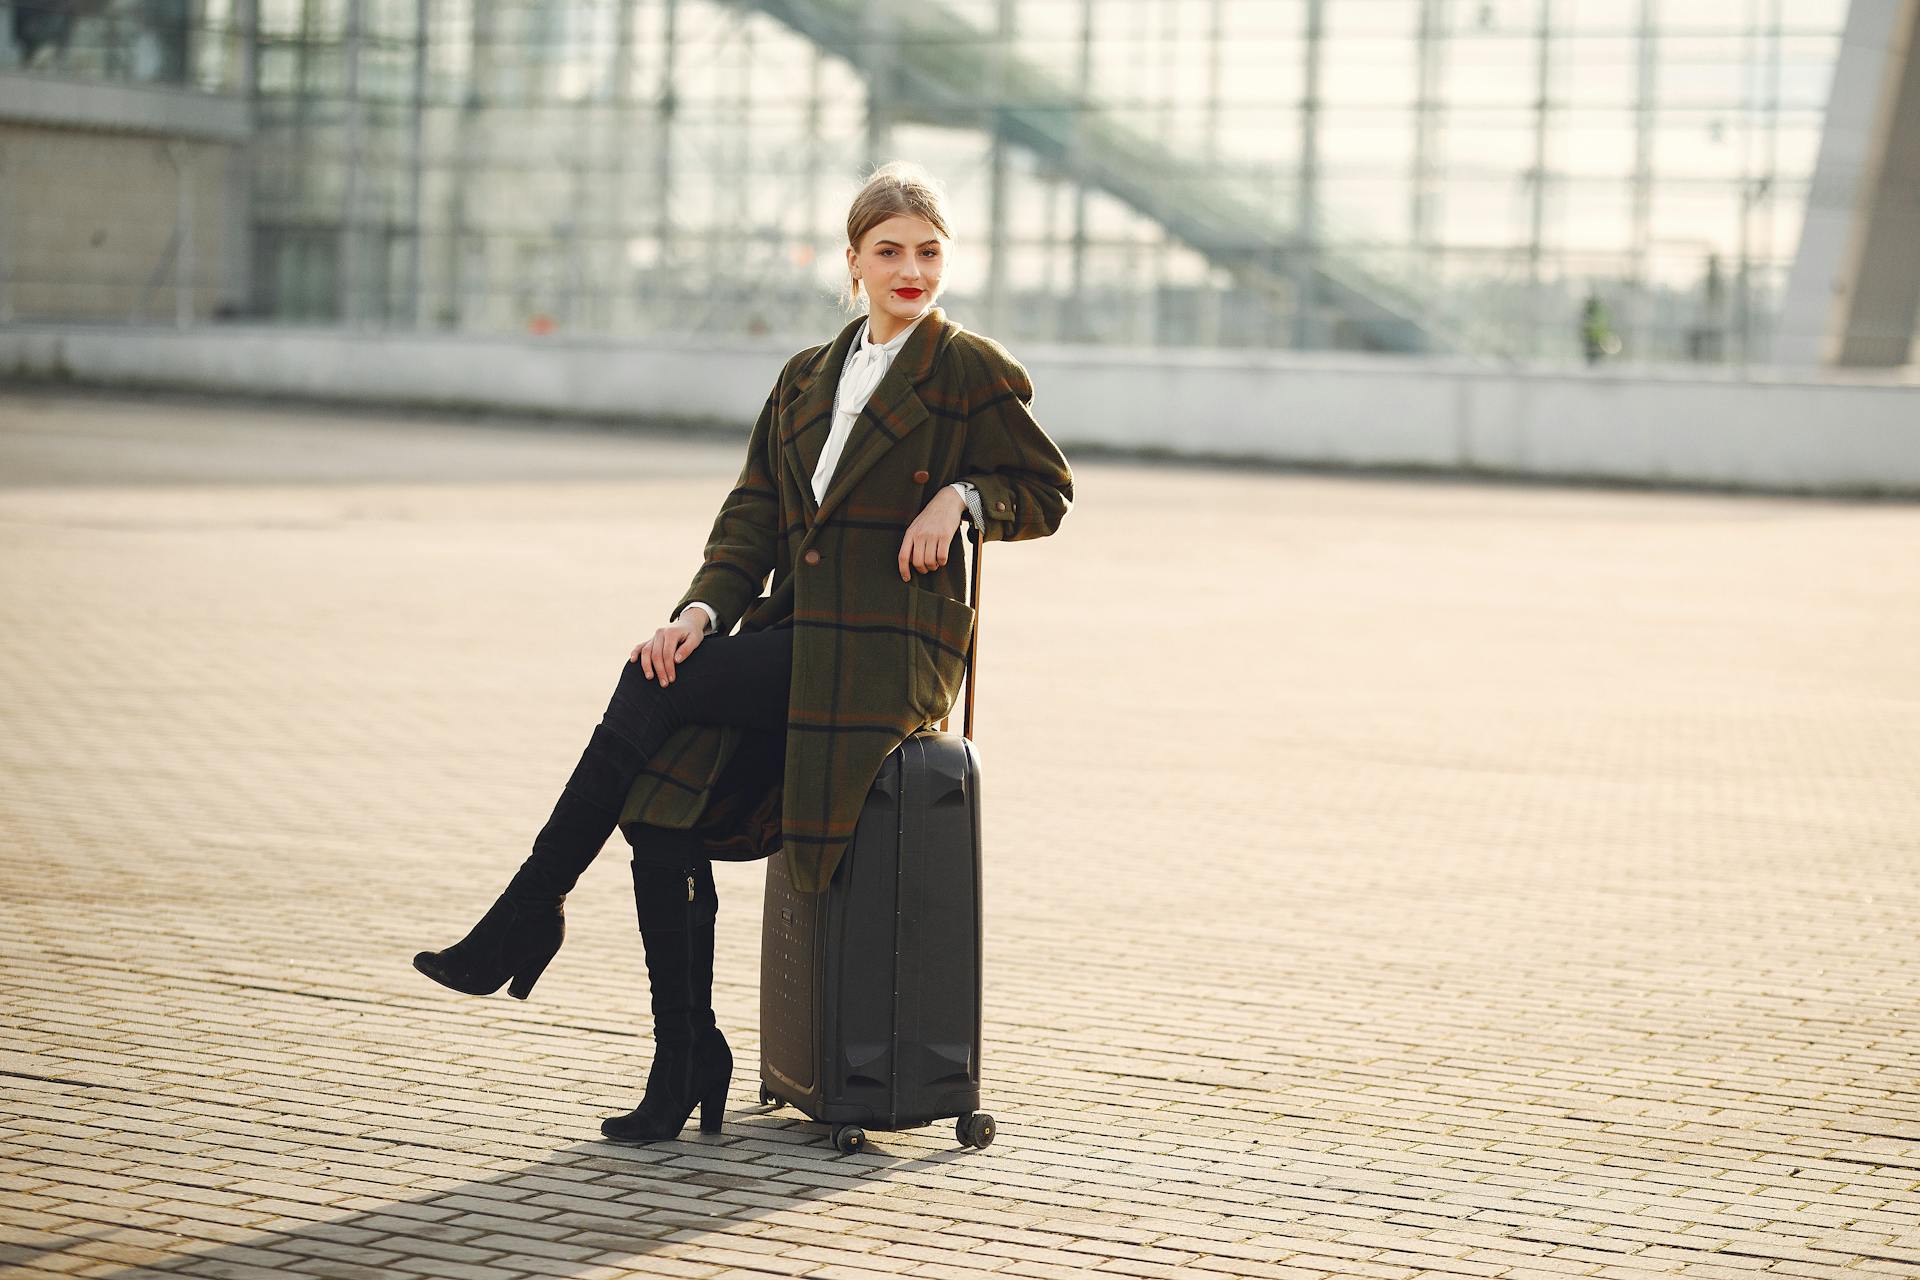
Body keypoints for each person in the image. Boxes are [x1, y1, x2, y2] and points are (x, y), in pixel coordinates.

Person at [411, 161, 1075, 1144]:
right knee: (658, 804)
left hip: (889, 653)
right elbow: (752, 517)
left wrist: (964, 498)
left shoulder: (966, 367)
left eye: (928, 251)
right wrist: (700, 614)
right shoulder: (807, 374)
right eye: (889, 250)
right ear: (851, 261)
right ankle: (686, 1057)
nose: (911, 269)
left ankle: (529, 907)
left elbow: (1047, 490)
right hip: (798, 640)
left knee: (648, 694)